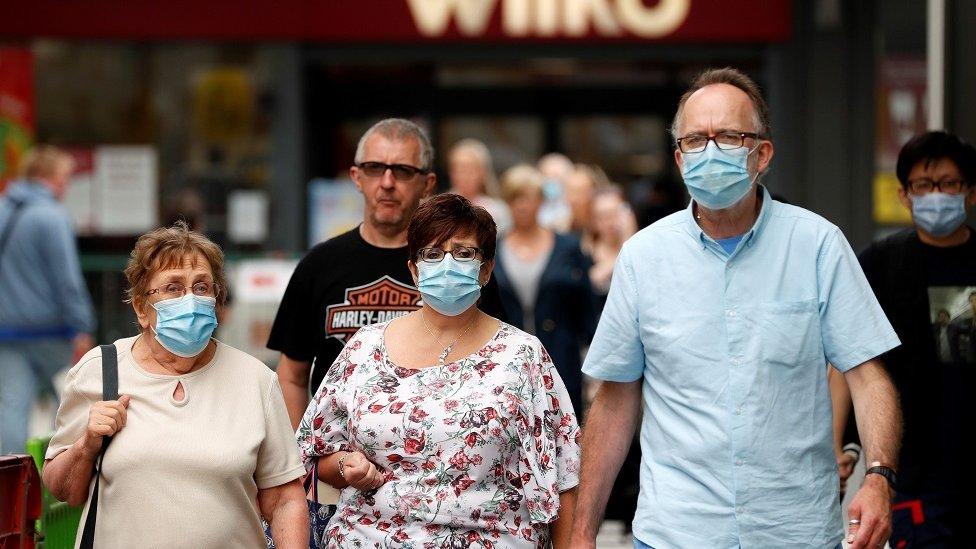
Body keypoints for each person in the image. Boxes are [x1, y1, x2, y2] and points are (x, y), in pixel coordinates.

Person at [570, 67, 902, 549]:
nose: (710, 152)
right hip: (676, 533)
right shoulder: (644, 258)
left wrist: (878, 479)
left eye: (728, 136)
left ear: (761, 153)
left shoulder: (817, 245)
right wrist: (582, 532)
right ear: (679, 160)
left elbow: (869, 376)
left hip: (795, 532)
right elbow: (617, 399)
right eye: (696, 140)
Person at [297, 193, 581, 548]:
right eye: (433, 254)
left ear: (487, 268)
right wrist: (345, 468)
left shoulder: (523, 356)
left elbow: (564, 471)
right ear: (414, 269)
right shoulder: (364, 349)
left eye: (464, 253)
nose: (448, 265)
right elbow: (314, 453)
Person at [42, 222, 308, 548]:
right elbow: (62, 490)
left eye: (201, 287)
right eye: (172, 288)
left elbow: (284, 499)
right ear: (142, 308)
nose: (190, 300)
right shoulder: (99, 370)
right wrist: (87, 443)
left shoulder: (256, 380)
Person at [267, 118, 507, 429]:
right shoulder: (320, 264)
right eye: (374, 168)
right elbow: (291, 376)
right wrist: (302, 465)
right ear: (356, 176)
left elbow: (497, 359)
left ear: (428, 183)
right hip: (338, 464)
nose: (388, 182)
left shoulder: (458, 266)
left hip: (441, 454)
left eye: (403, 171)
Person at [840, 130, 976, 547]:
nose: (936, 194)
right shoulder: (881, 263)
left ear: (969, 192)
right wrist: (844, 444)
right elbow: (847, 357)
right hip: (914, 465)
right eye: (923, 185)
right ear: (905, 195)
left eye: (948, 184)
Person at [0, 145, 95, 454]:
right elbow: (66, 279)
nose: (67, 186)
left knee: (12, 409)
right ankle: (60, 483)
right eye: (64, 177)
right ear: (47, 176)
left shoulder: (3, 210)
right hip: (52, 332)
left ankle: (11, 492)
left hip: (8, 331)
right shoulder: (51, 217)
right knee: (69, 408)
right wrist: (83, 325)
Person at [493, 164, 596, 416]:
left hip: (562, 357)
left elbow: (588, 309)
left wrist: (594, 369)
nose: (523, 206)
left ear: (540, 200)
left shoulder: (568, 247)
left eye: (529, 198)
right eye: (515, 198)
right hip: (507, 364)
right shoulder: (493, 249)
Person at [581, 185, 638, 302]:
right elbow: (593, 279)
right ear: (593, 220)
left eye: (615, 213)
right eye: (603, 216)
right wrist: (627, 239)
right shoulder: (584, 253)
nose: (610, 222)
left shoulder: (640, 251)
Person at [448, 138, 511, 233]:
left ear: (484, 172)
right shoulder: (440, 208)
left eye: (471, 170)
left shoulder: (498, 211)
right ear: (451, 173)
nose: (465, 176)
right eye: (460, 170)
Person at [537, 153, 573, 232]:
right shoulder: (533, 204)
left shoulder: (575, 207)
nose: (551, 180)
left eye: (556, 176)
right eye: (547, 175)